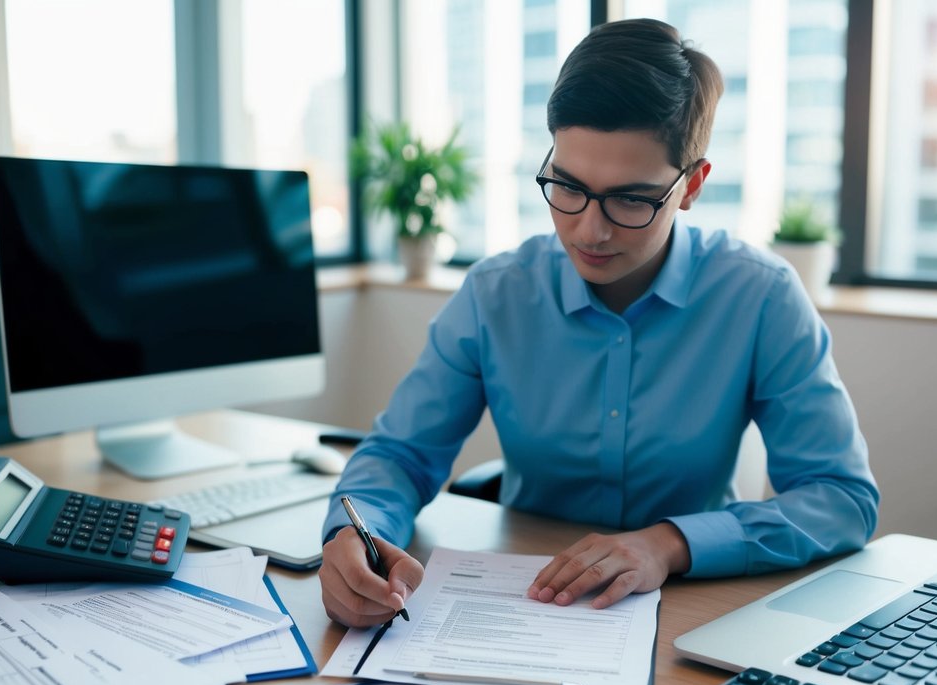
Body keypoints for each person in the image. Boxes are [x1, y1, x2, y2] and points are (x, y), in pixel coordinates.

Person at [319, 18, 878, 629]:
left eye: (632, 199)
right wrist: (354, 533)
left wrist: (667, 544)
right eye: (568, 186)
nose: (590, 229)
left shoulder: (760, 298)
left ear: (691, 185)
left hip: (689, 609)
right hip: (521, 600)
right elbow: (399, 454)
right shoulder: (495, 294)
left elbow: (841, 500)